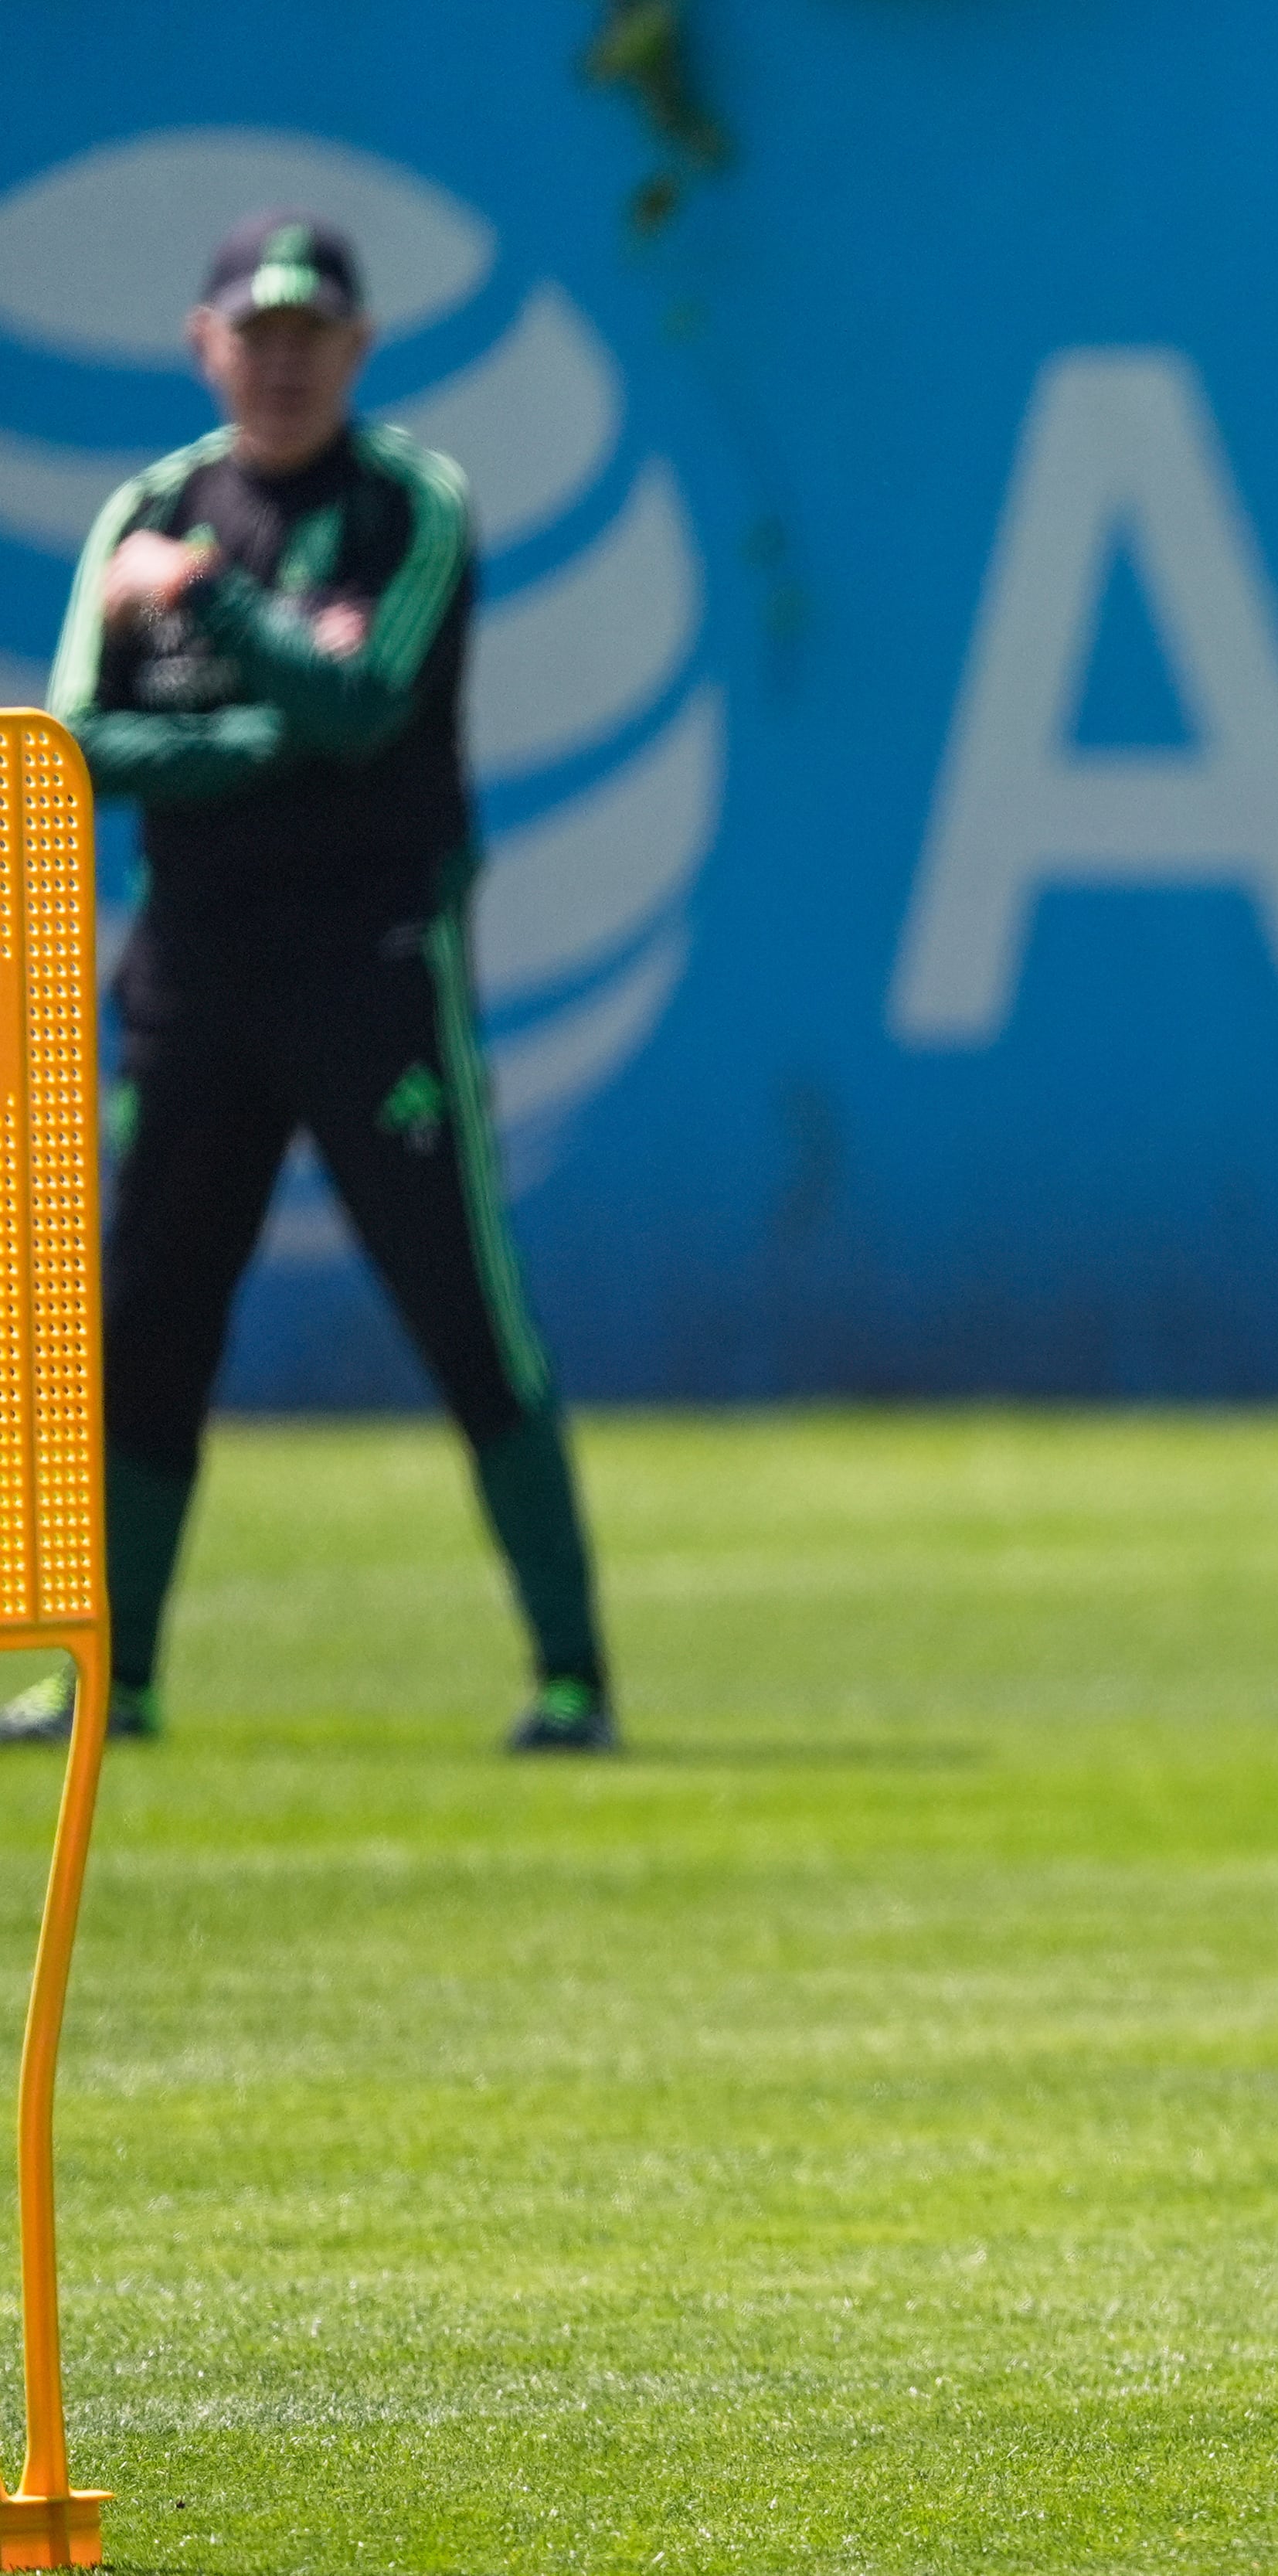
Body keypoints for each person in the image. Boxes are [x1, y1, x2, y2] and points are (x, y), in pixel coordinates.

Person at [22, 211, 617, 1755]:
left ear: (357, 348)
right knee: (150, 1310)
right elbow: (78, 742)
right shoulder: (148, 505)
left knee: (457, 1297)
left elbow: (362, 709)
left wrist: (211, 610)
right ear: (203, 344)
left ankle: (571, 1675)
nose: (281, 362)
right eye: (255, 331)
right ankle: (114, 1677)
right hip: (196, 973)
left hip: (372, 967)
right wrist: (265, 721)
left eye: (310, 334)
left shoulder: (407, 502)